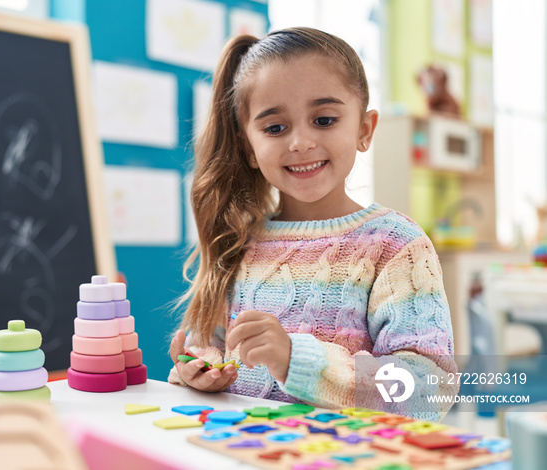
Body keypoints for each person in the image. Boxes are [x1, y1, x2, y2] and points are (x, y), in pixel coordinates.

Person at [168, 27, 456, 414]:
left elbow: (428, 392)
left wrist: (298, 361)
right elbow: (217, 353)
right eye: (274, 128)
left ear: (364, 129)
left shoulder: (396, 245)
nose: (300, 142)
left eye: (323, 120)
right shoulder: (240, 242)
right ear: (249, 147)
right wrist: (200, 371)